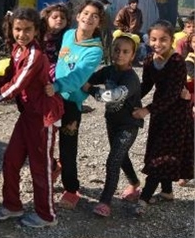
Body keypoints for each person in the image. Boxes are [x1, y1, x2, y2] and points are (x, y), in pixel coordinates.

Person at [0, 7, 64, 228]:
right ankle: (13, 205)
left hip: (43, 117)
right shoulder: (17, 50)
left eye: (27, 30)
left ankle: (46, 215)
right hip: (28, 116)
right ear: (11, 29)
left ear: (36, 30)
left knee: (40, 168)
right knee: (11, 160)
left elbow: (16, 85)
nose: (22, 34)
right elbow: (7, 75)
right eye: (17, 29)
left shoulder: (35, 55)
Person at [45, 0, 104, 210]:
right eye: (85, 13)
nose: (89, 17)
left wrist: (57, 85)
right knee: (44, 137)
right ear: (78, 16)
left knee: (68, 147)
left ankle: (72, 189)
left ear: (98, 22)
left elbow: (79, 76)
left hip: (70, 101)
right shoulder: (68, 35)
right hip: (53, 97)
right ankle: (51, 168)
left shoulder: (95, 51)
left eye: (94, 16)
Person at [131, 20, 194, 215]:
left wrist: (146, 110)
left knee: (161, 156)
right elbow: (147, 84)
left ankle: (144, 198)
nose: (158, 44)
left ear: (172, 40)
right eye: (154, 39)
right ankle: (167, 192)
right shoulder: (150, 60)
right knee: (162, 150)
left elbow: (173, 94)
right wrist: (130, 99)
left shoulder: (177, 63)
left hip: (177, 114)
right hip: (160, 113)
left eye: (163, 40)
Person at [82, 33, 144, 217]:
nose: (120, 54)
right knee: (121, 156)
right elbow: (88, 77)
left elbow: (113, 96)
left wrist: (91, 89)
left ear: (132, 56)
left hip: (129, 125)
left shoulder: (131, 78)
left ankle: (105, 202)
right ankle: (134, 183)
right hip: (112, 122)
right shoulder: (109, 71)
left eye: (125, 51)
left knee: (113, 160)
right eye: (116, 50)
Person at [39, 3, 70, 182]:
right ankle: (49, 165)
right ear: (46, 19)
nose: (59, 20)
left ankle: (50, 168)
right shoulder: (39, 37)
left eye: (63, 18)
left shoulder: (67, 39)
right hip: (39, 85)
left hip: (56, 87)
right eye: (55, 17)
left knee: (50, 129)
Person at [93, 0, 114, 64]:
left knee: (108, 42)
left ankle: (108, 59)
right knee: (100, 42)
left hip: (106, 26)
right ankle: (102, 59)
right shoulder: (95, 3)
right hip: (98, 26)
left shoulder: (107, 2)